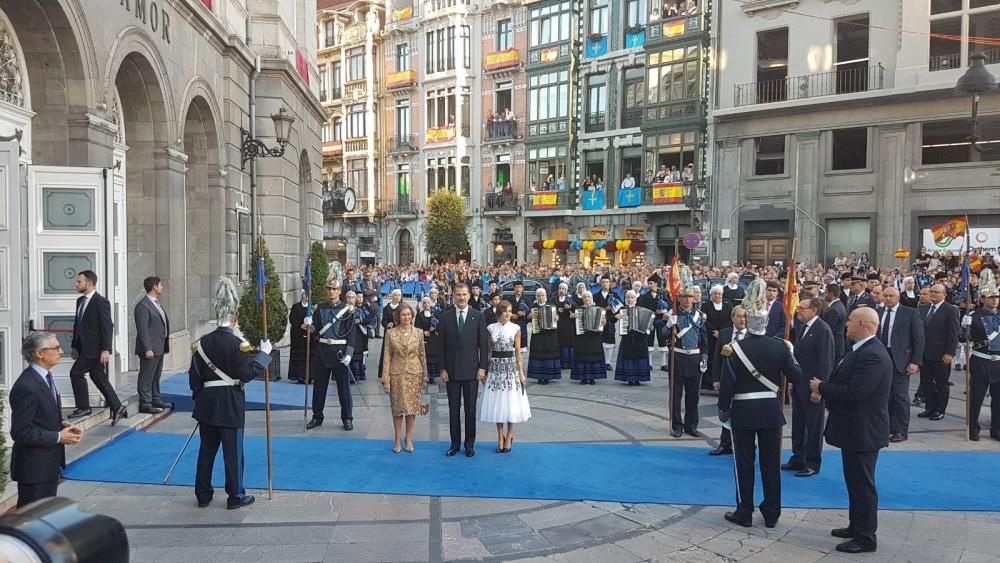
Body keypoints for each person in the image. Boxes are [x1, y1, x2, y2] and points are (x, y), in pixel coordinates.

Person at [718, 279, 802, 529]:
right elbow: (797, 377)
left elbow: (727, 386)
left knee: (743, 463)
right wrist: (791, 352)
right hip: (770, 412)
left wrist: (724, 409)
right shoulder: (780, 348)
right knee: (770, 463)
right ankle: (772, 512)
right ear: (765, 324)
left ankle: (744, 511)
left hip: (743, 412)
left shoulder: (733, 349)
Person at [810, 307, 892, 554]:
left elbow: (857, 391)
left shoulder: (873, 355)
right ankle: (856, 525)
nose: (845, 325)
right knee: (854, 481)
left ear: (861, 324)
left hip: (864, 430)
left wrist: (822, 387)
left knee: (862, 485)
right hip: (854, 428)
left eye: (849, 322)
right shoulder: (860, 350)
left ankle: (866, 537)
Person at [189, 277, 271, 509]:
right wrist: (264, 355)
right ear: (235, 317)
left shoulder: (201, 344)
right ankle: (235, 494)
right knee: (233, 453)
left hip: (207, 404)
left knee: (206, 452)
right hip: (230, 404)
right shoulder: (238, 345)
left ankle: (203, 494)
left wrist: (200, 399)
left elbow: (194, 378)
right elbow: (245, 373)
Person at [11, 332, 85, 508]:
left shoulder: (45, 377)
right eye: (56, 348)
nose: (61, 352)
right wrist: (59, 437)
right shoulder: (27, 385)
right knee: (32, 522)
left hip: (48, 465)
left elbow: (42, 414)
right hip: (34, 469)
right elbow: (20, 432)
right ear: (40, 353)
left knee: (44, 520)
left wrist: (63, 425)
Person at [782, 298, 834, 477]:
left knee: (814, 427)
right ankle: (798, 457)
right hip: (799, 385)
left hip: (813, 387)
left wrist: (819, 388)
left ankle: (812, 462)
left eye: (802, 309)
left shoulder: (822, 330)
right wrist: (792, 381)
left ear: (814, 310)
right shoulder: (803, 328)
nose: (798, 311)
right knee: (798, 424)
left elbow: (825, 362)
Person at [437, 283, 490, 457]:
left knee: (470, 409)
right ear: (453, 296)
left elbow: (483, 344)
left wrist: (483, 368)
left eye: (464, 294)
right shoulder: (445, 317)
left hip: (472, 371)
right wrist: (442, 368)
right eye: (458, 295)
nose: (461, 298)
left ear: (469, 296)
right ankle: (454, 444)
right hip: (451, 371)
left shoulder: (478, 316)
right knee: (453, 409)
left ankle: (469, 444)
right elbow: (441, 347)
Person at [69, 270, 126, 425]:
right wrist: (74, 346)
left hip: (95, 349)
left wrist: (106, 349)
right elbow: (78, 325)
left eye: (79, 281)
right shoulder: (80, 301)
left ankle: (84, 407)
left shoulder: (101, 301)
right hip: (83, 348)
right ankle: (118, 406)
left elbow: (107, 326)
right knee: (98, 377)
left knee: (75, 373)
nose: (76, 284)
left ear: (89, 283)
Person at [306, 274, 358, 431]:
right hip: (322, 351)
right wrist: (309, 326)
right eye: (329, 289)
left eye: (334, 289)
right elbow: (316, 330)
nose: (331, 292)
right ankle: (317, 416)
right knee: (319, 387)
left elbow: (351, 333)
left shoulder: (347, 310)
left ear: (339, 291)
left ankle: (347, 418)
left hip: (340, 352)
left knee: (343, 388)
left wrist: (349, 353)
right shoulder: (319, 308)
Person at [479, 301, 532, 453]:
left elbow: (517, 352)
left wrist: (521, 373)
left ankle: (509, 436)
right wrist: (485, 371)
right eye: (505, 311)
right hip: (495, 369)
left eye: (510, 311)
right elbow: (488, 352)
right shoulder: (490, 328)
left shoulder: (516, 328)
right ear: (499, 313)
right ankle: (499, 437)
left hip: (511, 369)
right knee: (497, 404)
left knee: (511, 403)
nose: (508, 314)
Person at [878, 287, 924, 442]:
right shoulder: (877, 312)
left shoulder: (910, 313)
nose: (888, 298)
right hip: (881, 357)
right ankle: (887, 426)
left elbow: (918, 338)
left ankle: (901, 430)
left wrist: (915, 361)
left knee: (900, 396)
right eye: (886, 295)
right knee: (885, 395)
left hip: (901, 360)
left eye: (891, 296)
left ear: (898, 297)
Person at [382, 303, 428, 454]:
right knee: (397, 409)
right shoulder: (391, 333)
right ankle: (397, 439)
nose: (406, 317)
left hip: (415, 374)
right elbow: (387, 357)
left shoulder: (419, 333)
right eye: (403, 315)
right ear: (398, 317)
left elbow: (422, 355)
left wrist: (425, 377)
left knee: (412, 409)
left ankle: (408, 438)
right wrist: (386, 380)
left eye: (409, 315)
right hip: (396, 375)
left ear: (412, 316)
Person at [666, 286, 708, 437]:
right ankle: (677, 425)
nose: (688, 299)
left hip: (694, 358)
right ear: (679, 298)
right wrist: (669, 325)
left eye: (690, 296)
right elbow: (663, 334)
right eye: (684, 296)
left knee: (693, 394)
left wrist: (704, 357)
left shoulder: (700, 316)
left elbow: (704, 339)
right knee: (676, 394)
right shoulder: (673, 314)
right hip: (678, 357)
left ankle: (691, 425)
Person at [918, 284, 960, 421]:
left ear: (944, 294)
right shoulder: (923, 308)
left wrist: (950, 353)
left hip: (941, 353)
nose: (933, 294)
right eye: (932, 292)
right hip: (925, 353)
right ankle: (929, 407)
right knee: (926, 382)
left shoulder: (950, 310)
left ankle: (940, 409)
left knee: (941, 383)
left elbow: (953, 334)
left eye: (937, 292)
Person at [708, 306, 746, 456]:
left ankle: (743, 444)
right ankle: (725, 444)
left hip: (745, 381)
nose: (742, 319)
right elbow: (717, 358)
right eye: (739, 316)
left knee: (743, 413)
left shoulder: (751, 335)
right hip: (726, 380)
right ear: (732, 318)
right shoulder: (724, 334)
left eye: (744, 316)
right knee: (725, 411)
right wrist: (716, 379)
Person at [966, 269, 1000, 441]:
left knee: (999, 400)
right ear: (982, 299)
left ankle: (997, 429)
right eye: (991, 297)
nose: (995, 300)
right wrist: (965, 327)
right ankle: (972, 428)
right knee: (976, 398)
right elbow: (963, 338)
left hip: (998, 363)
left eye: (997, 297)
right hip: (981, 361)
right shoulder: (974, 316)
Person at [134, 275, 172, 414]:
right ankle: (145, 402)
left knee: (156, 375)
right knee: (147, 375)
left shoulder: (156, 303)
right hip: (150, 348)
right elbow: (142, 328)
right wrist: (147, 348)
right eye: (160, 285)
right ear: (154, 287)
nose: (162, 287)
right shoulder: (143, 306)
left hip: (159, 346)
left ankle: (156, 398)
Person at [614, 290, 653, 385]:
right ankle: (630, 378)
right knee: (628, 357)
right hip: (628, 337)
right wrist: (616, 317)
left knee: (640, 357)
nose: (630, 299)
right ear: (625, 298)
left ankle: (638, 378)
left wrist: (649, 327)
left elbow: (650, 324)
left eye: (632, 297)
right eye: (628, 297)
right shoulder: (622, 309)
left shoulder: (642, 309)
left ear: (635, 299)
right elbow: (611, 318)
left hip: (640, 338)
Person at [571, 291, 607, 385]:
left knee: (593, 357)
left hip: (594, 337)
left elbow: (603, 323)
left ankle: (592, 378)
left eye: (588, 297)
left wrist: (604, 322)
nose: (587, 299)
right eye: (585, 297)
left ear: (592, 298)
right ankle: (582, 377)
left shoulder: (599, 309)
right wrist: (573, 318)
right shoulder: (578, 309)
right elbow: (573, 324)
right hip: (582, 336)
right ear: (582, 299)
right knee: (582, 357)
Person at [701, 285, 733, 390]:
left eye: (719, 294)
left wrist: (721, 332)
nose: (717, 296)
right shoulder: (706, 306)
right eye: (715, 294)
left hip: (724, 336)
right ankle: (708, 382)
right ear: (711, 295)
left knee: (722, 357)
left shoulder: (728, 305)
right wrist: (714, 331)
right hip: (710, 336)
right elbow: (705, 320)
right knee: (710, 358)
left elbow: (730, 319)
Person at [527, 288, 561, 384]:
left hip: (550, 335)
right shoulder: (533, 306)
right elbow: (527, 317)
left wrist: (556, 318)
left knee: (548, 355)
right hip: (538, 334)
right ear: (536, 297)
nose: (541, 297)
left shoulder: (552, 306)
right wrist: (529, 316)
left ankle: (547, 376)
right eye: (539, 296)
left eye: (542, 295)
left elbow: (557, 317)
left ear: (545, 296)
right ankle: (539, 376)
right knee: (538, 355)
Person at [592, 276, 620, 369]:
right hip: (599, 320)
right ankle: (600, 361)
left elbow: (621, 307)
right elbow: (593, 308)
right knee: (600, 341)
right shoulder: (596, 295)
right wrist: (604, 309)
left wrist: (616, 315)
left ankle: (607, 362)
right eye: (603, 282)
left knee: (610, 341)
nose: (605, 284)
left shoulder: (614, 295)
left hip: (611, 320)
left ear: (610, 283)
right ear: (600, 283)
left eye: (607, 282)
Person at [287, 286, 312, 384]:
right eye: (304, 295)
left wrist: (309, 326)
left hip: (309, 335)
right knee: (299, 357)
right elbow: (292, 318)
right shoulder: (296, 306)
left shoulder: (311, 307)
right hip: (298, 335)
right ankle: (299, 376)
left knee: (308, 356)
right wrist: (300, 325)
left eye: (307, 295)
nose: (305, 297)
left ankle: (309, 376)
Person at [415, 297, 443, 385]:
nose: (427, 304)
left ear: (430, 304)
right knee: (426, 357)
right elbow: (416, 327)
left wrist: (435, 328)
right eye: (425, 303)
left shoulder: (434, 314)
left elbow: (440, 324)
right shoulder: (420, 315)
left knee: (434, 357)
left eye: (428, 303)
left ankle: (433, 376)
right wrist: (423, 331)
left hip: (434, 338)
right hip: (425, 339)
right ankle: (425, 376)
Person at [345, 291, 369, 382]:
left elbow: (369, 319)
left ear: (355, 299)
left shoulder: (360, 310)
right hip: (346, 335)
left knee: (356, 356)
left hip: (358, 335)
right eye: (348, 297)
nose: (350, 299)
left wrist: (361, 321)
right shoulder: (342, 310)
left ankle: (356, 377)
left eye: (352, 297)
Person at [822, 285, 848, 363]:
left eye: (826, 292)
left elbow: (829, 330)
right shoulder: (839, 305)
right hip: (838, 344)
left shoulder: (833, 310)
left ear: (831, 294)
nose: (824, 294)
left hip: (833, 346)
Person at [555, 283, 576, 369]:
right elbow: (550, 307)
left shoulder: (570, 299)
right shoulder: (554, 299)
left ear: (566, 291)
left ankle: (569, 364)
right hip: (558, 324)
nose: (561, 290)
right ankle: (560, 363)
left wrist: (570, 308)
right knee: (559, 342)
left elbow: (576, 309)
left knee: (569, 343)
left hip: (568, 324)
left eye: (563, 288)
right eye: (560, 288)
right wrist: (557, 309)